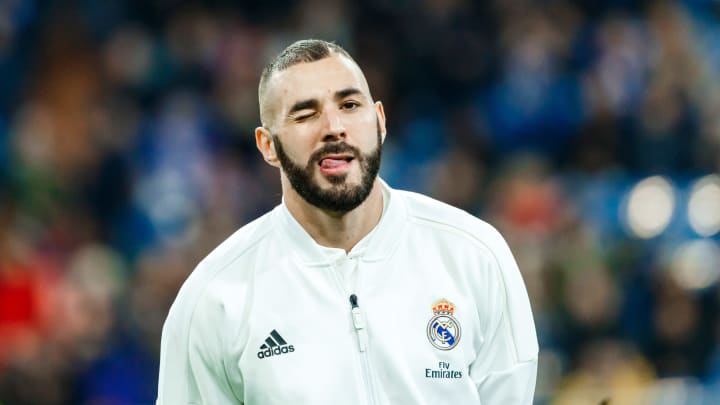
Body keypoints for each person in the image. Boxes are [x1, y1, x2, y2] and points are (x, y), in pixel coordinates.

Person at [157, 39, 538, 404]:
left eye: (350, 105)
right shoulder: (214, 298)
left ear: (380, 121)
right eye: (306, 114)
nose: (333, 127)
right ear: (267, 145)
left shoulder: (473, 255)